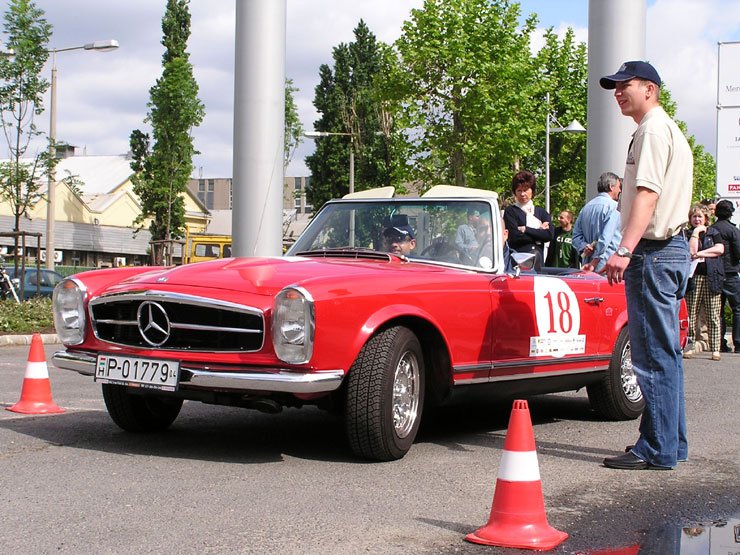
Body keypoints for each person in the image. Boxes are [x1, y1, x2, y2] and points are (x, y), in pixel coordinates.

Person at [600, 61, 693, 471]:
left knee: (652, 356)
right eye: (615, 87)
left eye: (626, 85)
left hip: (654, 251)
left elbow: (647, 195)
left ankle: (656, 448)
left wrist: (624, 248)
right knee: (665, 354)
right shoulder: (667, 129)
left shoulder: (652, 131)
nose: (618, 92)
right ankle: (672, 443)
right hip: (669, 249)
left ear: (650, 89)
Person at [681, 204, 725, 361]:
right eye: (694, 216)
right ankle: (690, 346)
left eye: (700, 216)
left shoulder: (714, 233)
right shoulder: (687, 234)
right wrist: (696, 233)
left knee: (713, 314)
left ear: (706, 218)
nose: (697, 219)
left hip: (712, 276)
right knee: (691, 313)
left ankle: (715, 348)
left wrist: (701, 253)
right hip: (693, 277)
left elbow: (719, 249)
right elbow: (691, 251)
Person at [572, 172, 623, 272]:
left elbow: (575, 237)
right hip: (607, 265)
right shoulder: (614, 207)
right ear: (611, 187)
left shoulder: (586, 208)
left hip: (586, 265)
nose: (620, 190)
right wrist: (595, 261)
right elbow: (605, 238)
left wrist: (584, 246)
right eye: (618, 187)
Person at [503, 170, 553, 271]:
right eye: (519, 190)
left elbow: (549, 235)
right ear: (514, 192)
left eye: (525, 190)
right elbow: (514, 237)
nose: (522, 194)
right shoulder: (510, 211)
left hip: (538, 263)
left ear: (532, 191)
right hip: (517, 262)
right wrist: (539, 232)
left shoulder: (541, 212)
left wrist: (526, 230)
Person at [711, 200, 740, 353]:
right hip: (730, 273)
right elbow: (738, 251)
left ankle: (719, 343)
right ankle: (739, 343)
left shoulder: (711, 229)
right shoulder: (733, 231)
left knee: (717, 310)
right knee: (738, 308)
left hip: (714, 273)